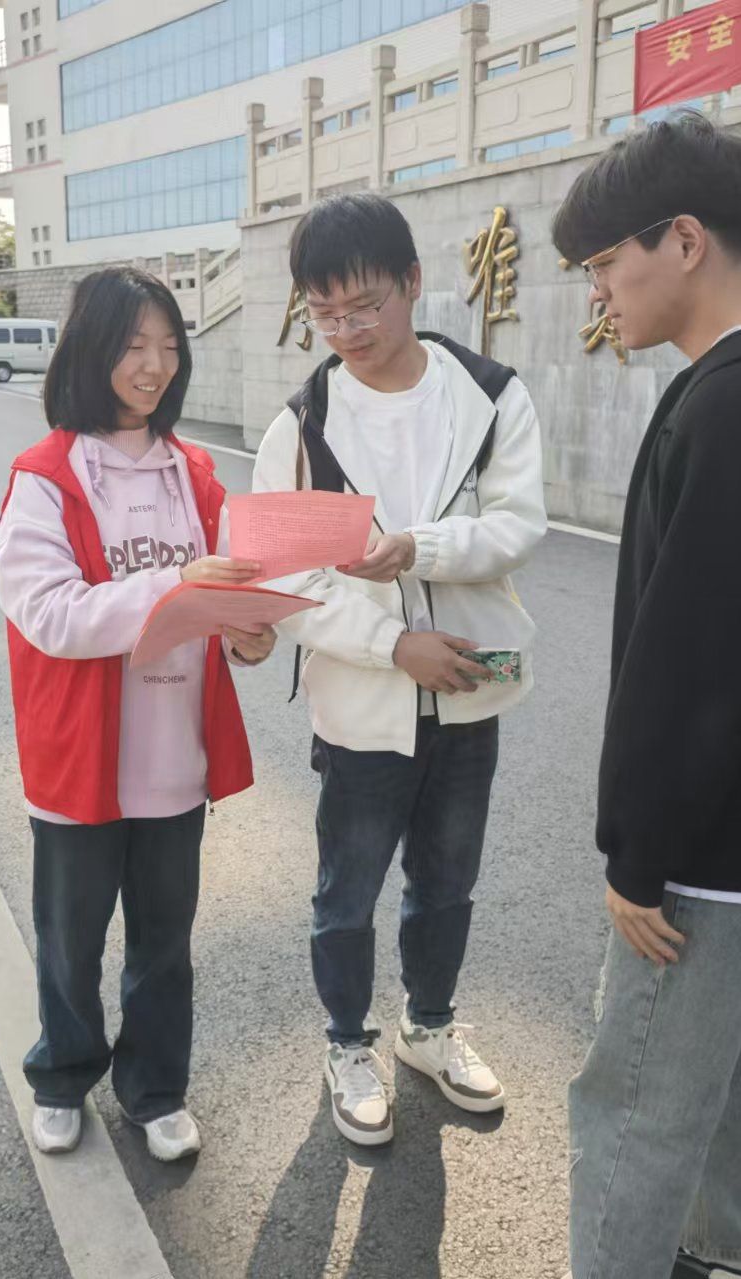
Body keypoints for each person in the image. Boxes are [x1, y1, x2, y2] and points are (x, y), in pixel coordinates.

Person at [551, 113, 741, 1279]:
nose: (596, 293)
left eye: (602, 264)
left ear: (680, 241)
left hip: (710, 847)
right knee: (712, 1049)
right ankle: (730, 1248)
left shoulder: (734, 407)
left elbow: (703, 667)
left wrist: (640, 857)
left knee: (630, 1099)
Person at [249, 193, 545, 1147]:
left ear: (413, 283)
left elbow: (518, 525)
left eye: (366, 305)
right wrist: (391, 646)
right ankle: (347, 1043)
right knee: (348, 887)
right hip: (361, 705)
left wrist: (421, 547)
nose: (347, 331)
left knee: (448, 880)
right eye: (325, 313)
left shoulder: (489, 395)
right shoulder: (303, 423)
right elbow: (283, 579)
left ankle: (428, 1026)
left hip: (465, 693)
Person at [0, 266, 275, 1163]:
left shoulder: (197, 475)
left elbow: (231, 593)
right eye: (133, 345)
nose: (154, 365)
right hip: (80, 757)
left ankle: (155, 1088)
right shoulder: (45, 477)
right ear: (91, 350)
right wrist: (176, 585)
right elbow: (52, 615)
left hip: (172, 754)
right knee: (70, 941)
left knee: (164, 942)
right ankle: (62, 1075)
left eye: (167, 345)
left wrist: (247, 634)